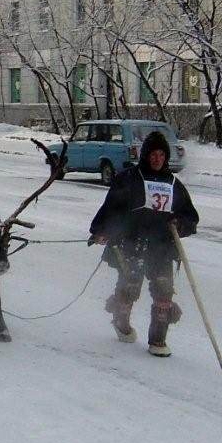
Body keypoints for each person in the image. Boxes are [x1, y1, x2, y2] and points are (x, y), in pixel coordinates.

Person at [89, 132, 200, 357]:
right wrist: (101, 230)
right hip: (131, 243)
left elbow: (190, 217)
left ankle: (158, 339)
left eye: (161, 154)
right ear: (145, 155)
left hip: (162, 247)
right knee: (130, 287)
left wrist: (181, 224)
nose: (157, 159)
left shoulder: (173, 184)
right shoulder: (129, 179)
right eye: (153, 154)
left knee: (163, 290)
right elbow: (112, 207)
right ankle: (121, 320)